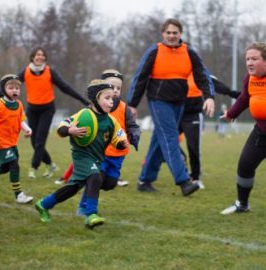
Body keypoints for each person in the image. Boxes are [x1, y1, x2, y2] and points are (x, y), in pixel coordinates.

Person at [127, 18, 215, 196]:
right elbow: (140, 77)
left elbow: (202, 76)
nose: (172, 35)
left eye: (175, 32)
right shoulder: (154, 50)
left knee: (159, 141)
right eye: (168, 32)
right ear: (163, 34)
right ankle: (184, 182)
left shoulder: (189, 52)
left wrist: (209, 97)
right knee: (170, 137)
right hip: (158, 102)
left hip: (179, 103)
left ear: (180, 34)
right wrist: (132, 104)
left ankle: (145, 180)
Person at [35, 79, 129, 228]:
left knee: (73, 188)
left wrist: (121, 143)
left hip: (97, 158)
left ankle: (44, 204)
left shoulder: (111, 120)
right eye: (107, 98)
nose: (111, 101)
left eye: (112, 98)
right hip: (82, 156)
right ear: (95, 99)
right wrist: (69, 130)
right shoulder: (84, 114)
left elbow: (117, 137)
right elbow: (62, 125)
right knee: (95, 177)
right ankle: (91, 214)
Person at [54, 69, 141, 191]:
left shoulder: (124, 108)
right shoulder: (91, 110)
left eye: (118, 88)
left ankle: (84, 182)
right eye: (112, 87)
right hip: (98, 153)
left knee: (109, 184)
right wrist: (72, 131)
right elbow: (73, 123)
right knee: (94, 179)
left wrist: (134, 135)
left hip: (117, 152)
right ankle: (84, 204)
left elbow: (133, 126)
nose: (115, 90)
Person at [17, 46, 89, 179]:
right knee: (34, 142)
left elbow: (65, 88)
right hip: (32, 110)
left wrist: (84, 101)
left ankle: (33, 167)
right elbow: (9, 84)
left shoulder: (50, 72)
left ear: (45, 58)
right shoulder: (25, 72)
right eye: (37, 55)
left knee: (40, 141)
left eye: (42, 55)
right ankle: (51, 165)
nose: (40, 57)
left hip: (47, 110)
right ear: (32, 57)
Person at [221, 42, 266, 215]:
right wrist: (231, 114)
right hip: (261, 132)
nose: (249, 63)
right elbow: (244, 98)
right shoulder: (249, 78)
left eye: (254, 59)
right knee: (245, 166)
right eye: (247, 59)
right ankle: (242, 204)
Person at [0, 74, 33, 203]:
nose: (15, 90)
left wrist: (27, 129)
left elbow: (21, 120)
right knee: (14, 165)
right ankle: (19, 195)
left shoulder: (19, 104)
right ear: (3, 89)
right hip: (0, 143)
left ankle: (19, 195)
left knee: (5, 168)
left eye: (17, 88)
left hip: (12, 143)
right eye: (11, 87)